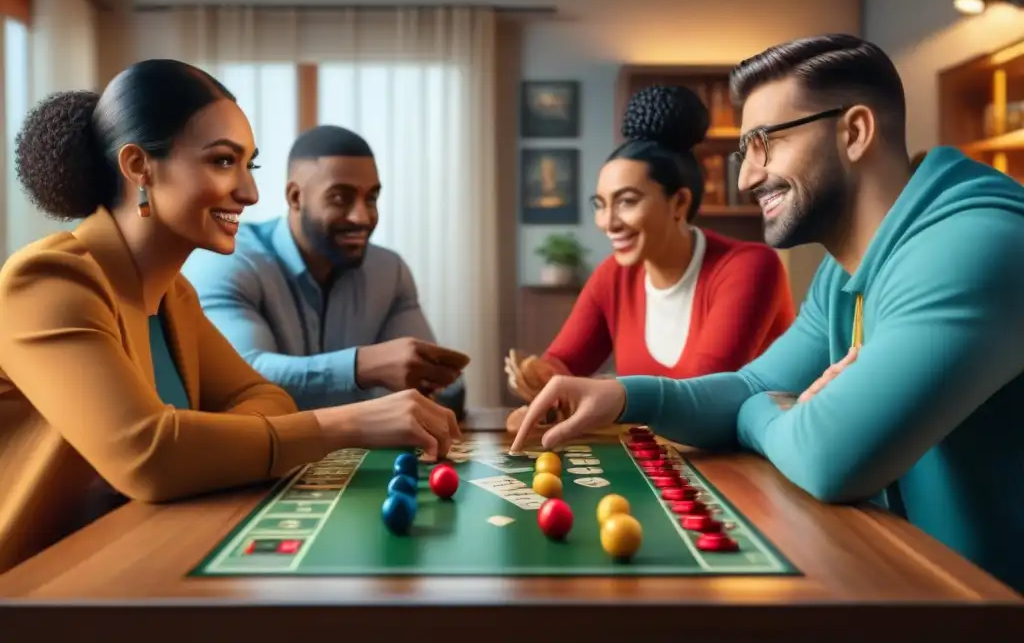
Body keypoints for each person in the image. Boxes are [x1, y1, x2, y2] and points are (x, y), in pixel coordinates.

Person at [510, 34, 1024, 593]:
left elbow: (829, 457)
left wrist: (764, 409)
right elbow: (757, 382)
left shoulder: (975, 246)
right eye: (743, 153)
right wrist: (627, 397)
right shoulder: (844, 269)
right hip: (914, 583)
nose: (747, 177)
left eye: (765, 143)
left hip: (990, 606)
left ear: (853, 132)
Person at [0, 60, 458, 575]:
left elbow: (266, 399)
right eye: (222, 162)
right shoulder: (48, 280)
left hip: (136, 558)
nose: (249, 192)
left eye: (249, 165)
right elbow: (149, 457)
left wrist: (195, 444)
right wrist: (347, 422)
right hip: (35, 587)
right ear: (138, 167)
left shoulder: (174, 295)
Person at [504, 85, 795, 432]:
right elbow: (565, 362)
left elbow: (698, 397)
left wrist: (607, 392)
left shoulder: (750, 267)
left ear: (679, 203)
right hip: (663, 459)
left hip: (750, 460)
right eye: (600, 204)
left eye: (626, 201)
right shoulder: (613, 276)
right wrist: (542, 377)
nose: (608, 222)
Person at [182, 124, 469, 418]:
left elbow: (436, 389)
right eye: (340, 198)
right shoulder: (229, 261)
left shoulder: (390, 271)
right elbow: (239, 377)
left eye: (371, 198)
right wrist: (362, 367)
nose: (362, 216)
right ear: (295, 197)